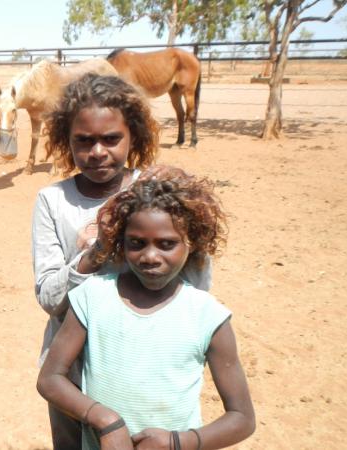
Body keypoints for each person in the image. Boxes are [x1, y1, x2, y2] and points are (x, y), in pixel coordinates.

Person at [31, 74, 212, 449]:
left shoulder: (157, 190)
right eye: (84, 141)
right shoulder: (52, 201)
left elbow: (197, 283)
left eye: (111, 139)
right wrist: (96, 251)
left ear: (134, 136)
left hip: (150, 365)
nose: (98, 151)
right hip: (73, 376)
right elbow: (50, 298)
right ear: (67, 140)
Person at [37, 170, 255, 450]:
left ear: (193, 242)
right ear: (120, 241)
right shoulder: (91, 297)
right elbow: (50, 379)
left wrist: (177, 442)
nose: (150, 257)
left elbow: (242, 418)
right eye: (136, 243)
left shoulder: (208, 317)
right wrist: (106, 421)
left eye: (167, 244)